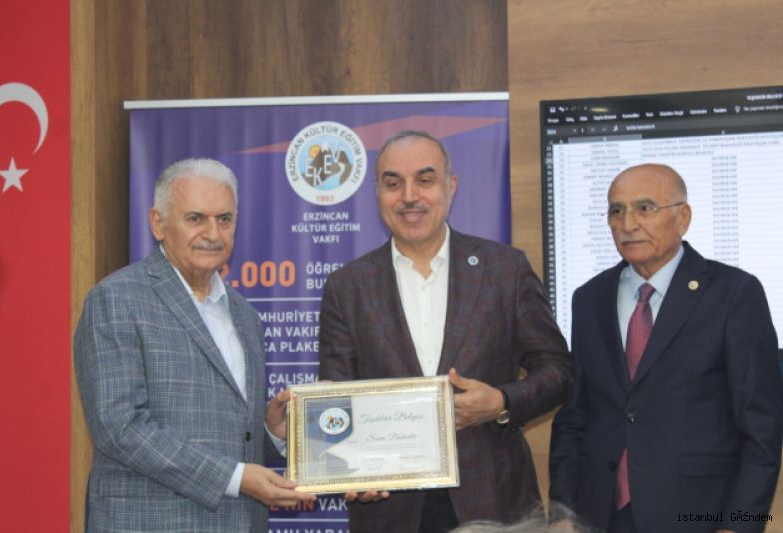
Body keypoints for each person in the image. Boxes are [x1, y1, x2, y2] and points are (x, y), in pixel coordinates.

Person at [318, 130, 573, 532]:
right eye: (393, 183)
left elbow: (559, 371)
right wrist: (348, 469)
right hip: (389, 509)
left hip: (493, 502)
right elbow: (335, 398)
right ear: (378, 193)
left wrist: (502, 401)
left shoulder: (505, 270)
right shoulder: (347, 286)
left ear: (450, 186)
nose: (409, 196)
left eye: (425, 179)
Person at [74, 158, 314, 532]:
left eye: (225, 219)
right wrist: (236, 478)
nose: (213, 233)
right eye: (195, 218)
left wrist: (270, 431)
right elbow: (118, 427)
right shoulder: (116, 299)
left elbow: (231, 438)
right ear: (158, 223)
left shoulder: (245, 315)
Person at [549, 163, 783, 533]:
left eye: (645, 208)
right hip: (602, 516)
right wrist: (562, 513)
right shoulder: (589, 298)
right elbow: (575, 417)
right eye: (616, 210)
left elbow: (762, 427)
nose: (628, 224)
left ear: (683, 217)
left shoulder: (733, 293)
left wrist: (739, 525)